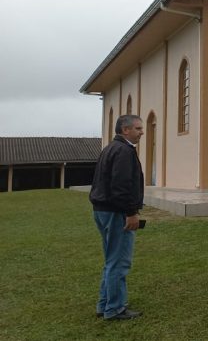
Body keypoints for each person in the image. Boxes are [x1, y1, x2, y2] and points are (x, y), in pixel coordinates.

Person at [89, 115, 145, 320]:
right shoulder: (123, 151)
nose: (142, 132)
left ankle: (104, 304)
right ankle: (114, 308)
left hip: (102, 210)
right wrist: (131, 213)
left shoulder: (110, 148)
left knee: (111, 260)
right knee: (119, 262)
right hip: (116, 212)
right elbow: (120, 187)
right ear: (125, 130)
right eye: (138, 128)